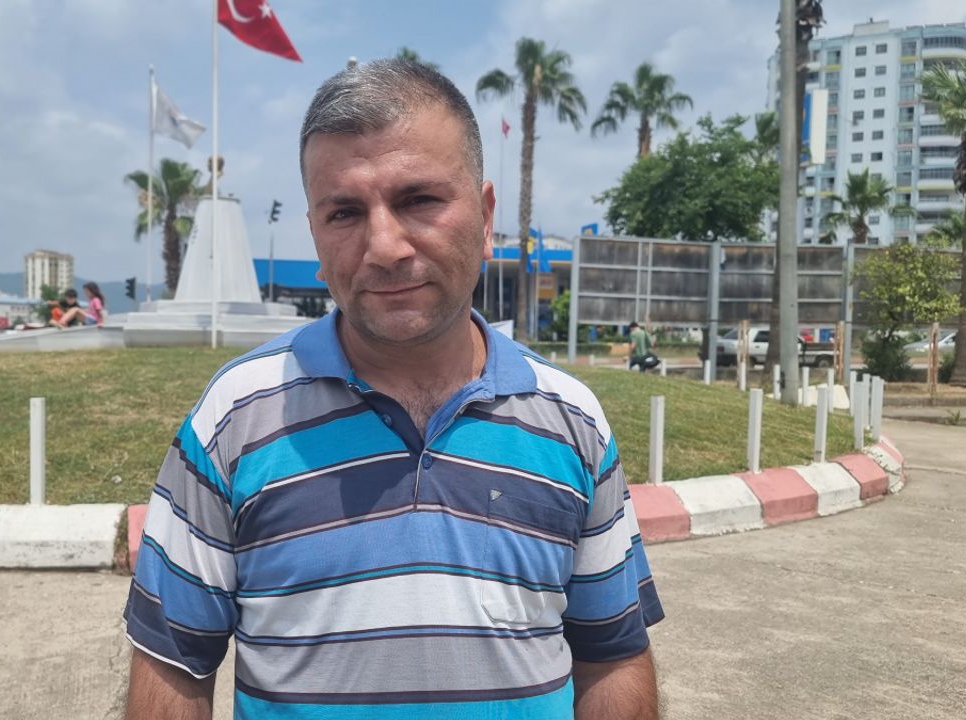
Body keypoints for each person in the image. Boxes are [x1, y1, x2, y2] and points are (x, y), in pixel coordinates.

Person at [123, 59, 663, 720]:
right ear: (316, 236)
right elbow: (173, 663)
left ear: (486, 217)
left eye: (419, 200)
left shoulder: (570, 420)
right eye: (345, 212)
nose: (384, 246)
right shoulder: (233, 419)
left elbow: (611, 653)